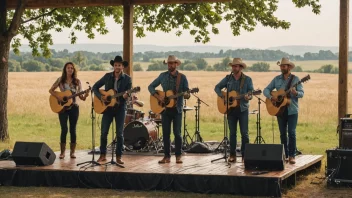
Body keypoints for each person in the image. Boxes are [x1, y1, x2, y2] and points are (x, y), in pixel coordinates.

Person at [148, 55, 190, 164]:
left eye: (172, 63)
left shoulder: (182, 77)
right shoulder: (162, 76)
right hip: (165, 109)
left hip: (177, 109)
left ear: (176, 64)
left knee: (177, 133)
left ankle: (178, 156)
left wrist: (186, 94)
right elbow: (150, 87)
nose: (170, 65)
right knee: (166, 134)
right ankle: (166, 156)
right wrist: (158, 97)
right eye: (168, 63)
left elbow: (187, 93)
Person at [263, 57, 304, 164]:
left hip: (292, 110)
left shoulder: (296, 79)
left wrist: (295, 93)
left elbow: (302, 93)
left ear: (289, 67)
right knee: (282, 134)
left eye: (283, 66)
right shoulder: (276, 79)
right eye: (281, 66)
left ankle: (292, 155)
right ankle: (284, 154)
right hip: (279, 110)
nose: (281, 67)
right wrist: (271, 97)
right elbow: (266, 90)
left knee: (292, 133)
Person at [93, 55, 131, 164]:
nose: (117, 67)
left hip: (120, 108)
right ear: (113, 66)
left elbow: (128, 93)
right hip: (107, 109)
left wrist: (126, 96)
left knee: (119, 134)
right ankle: (103, 155)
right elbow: (95, 87)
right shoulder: (107, 76)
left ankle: (119, 156)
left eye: (119, 65)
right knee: (104, 132)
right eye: (115, 65)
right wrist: (101, 97)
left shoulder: (128, 79)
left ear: (122, 66)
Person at [214, 58, 254, 163]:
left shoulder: (247, 79)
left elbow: (251, 93)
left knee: (244, 133)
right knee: (232, 133)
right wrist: (222, 96)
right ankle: (232, 155)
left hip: (242, 109)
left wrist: (248, 97)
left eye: (236, 66)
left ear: (240, 67)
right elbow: (217, 87)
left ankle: (246, 155)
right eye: (232, 66)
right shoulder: (228, 78)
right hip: (230, 110)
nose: (233, 68)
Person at [49, 62, 89, 159]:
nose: (70, 69)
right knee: (64, 129)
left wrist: (86, 94)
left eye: (72, 68)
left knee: (73, 129)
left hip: (74, 108)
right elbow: (51, 90)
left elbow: (82, 97)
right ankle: (62, 153)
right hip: (62, 108)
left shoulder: (77, 82)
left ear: (74, 70)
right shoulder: (60, 80)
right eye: (68, 68)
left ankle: (72, 153)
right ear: (65, 69)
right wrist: (58, 98)